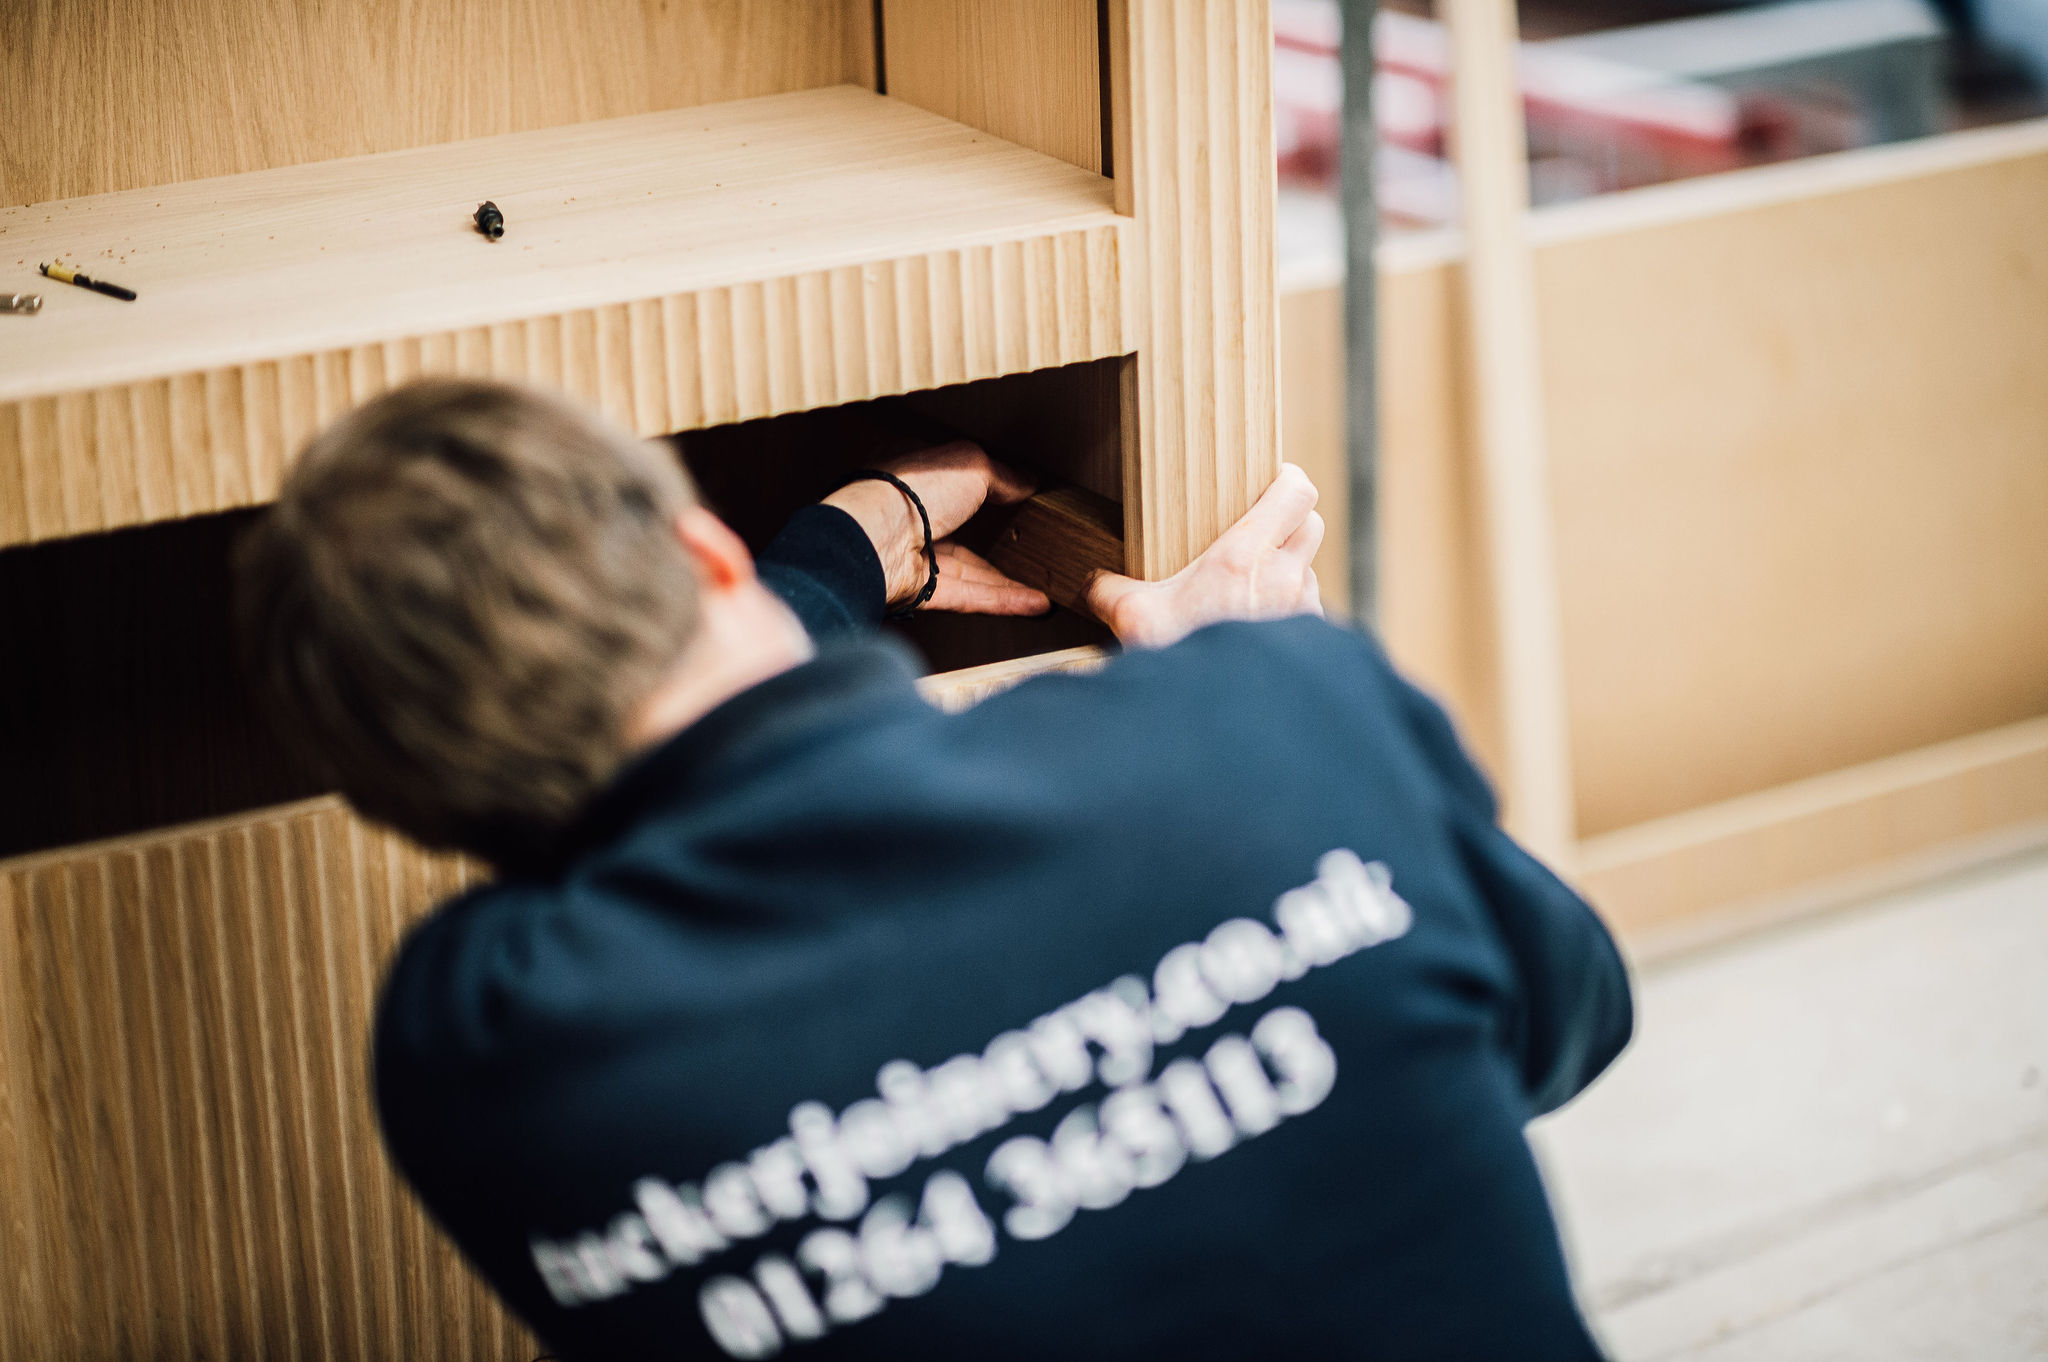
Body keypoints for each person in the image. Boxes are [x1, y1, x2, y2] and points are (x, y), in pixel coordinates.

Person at [236, 378, 1632, 1362]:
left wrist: (849, 552)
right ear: (701, 548)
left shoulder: (472, 1052)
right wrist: (1220, 700)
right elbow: (1570, 1016)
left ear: (403, 805)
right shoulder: (1276, 710)